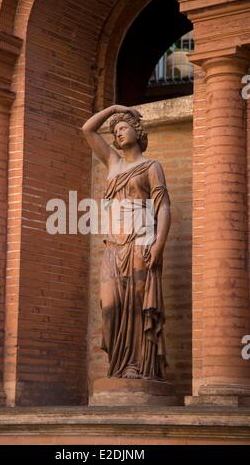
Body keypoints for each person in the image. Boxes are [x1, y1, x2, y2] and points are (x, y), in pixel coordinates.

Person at [82, 105, 171, 380]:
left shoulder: (151, 166)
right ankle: (119, 366)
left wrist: (158, 245)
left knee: (136, 305)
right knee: (109, 306)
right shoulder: (112, 163)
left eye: (123, 128)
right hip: (113, 246)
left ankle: (137, 366)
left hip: (141, 243)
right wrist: (114, 109)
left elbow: (163, 207)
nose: (118, 134)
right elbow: (87, 129)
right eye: (115, 131)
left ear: (137, 130)